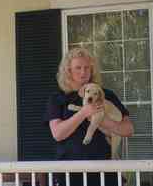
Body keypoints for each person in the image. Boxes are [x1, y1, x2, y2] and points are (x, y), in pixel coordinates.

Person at [44, 47, 134, 186]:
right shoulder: (57, 98)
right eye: (78, 67)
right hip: (70, 173)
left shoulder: (105, 95)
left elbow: (128, 130)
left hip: (105, 171)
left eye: (87, 68)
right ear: (68, 71)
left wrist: (102, 120)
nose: (83, 72)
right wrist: (84, 113)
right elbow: (58, 133)